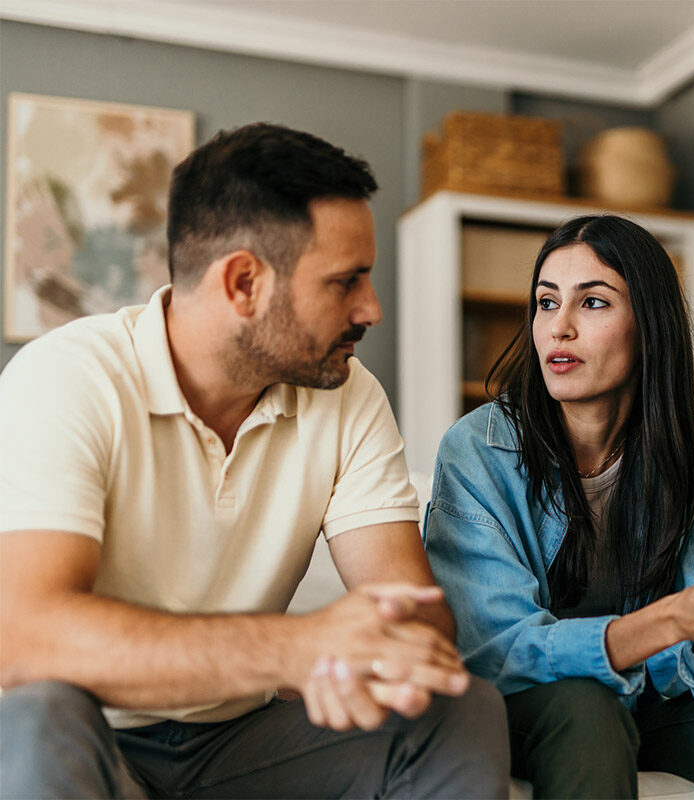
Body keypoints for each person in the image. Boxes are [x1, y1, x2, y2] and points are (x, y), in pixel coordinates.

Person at [0, 122, 509, 799]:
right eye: (345, 282)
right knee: (35, 715)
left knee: (459, 707)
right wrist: (293, 649)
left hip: (244, 745)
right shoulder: (66, 379)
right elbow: (24, 637)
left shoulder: (349, 395)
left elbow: (410, 613)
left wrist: (380, 657)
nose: (372, 309)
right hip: (94, 733)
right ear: (243, 282)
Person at [423, 214, 694, 799]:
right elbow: (493, 651)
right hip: (530, 706)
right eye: (546, 303)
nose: (559, 328)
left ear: (647, 325)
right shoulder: (476, 449)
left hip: (649, 703)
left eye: (593, 303)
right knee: (585, 704)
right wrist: (665, 622)